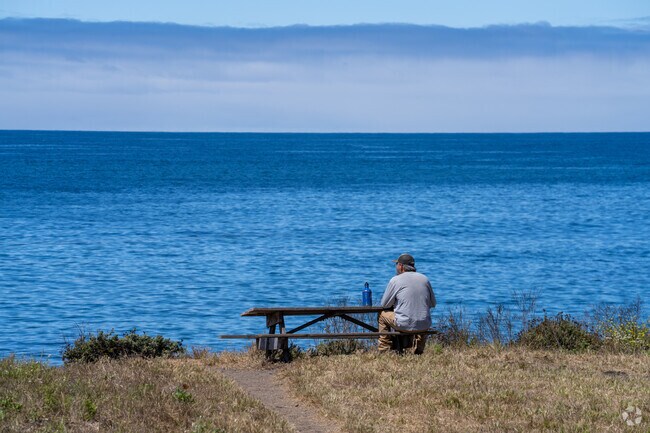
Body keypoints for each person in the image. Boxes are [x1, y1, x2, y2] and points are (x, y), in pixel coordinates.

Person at [378, 253, 436, 354]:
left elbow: (385, 304)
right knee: (421, 317)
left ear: (401, 266)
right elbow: (433, 303)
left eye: (396, 264)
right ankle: (419, 349)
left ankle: (384, 348)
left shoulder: (395, 280)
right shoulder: (424, 279)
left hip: (404, 324)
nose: (396, 267)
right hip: (424, 324)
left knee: (382, 315)